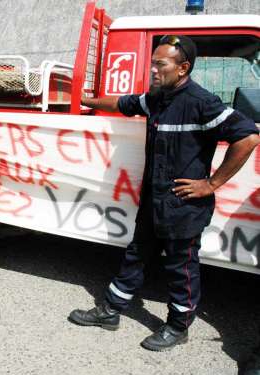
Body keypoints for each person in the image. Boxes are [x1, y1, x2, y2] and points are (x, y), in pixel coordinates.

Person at [68, 35, 259, 351]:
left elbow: (248, 137)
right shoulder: (157, 99)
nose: (153, 69)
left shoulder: (201, 102)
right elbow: (122, 103)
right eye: (152, 62)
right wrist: (85, 101)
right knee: (136, 254)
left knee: (180, 267)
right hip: (153, 201)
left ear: (183, 68)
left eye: (161, 64)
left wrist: (211, 184)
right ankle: (111, 310)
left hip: (183, 207)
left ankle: (178, 327)